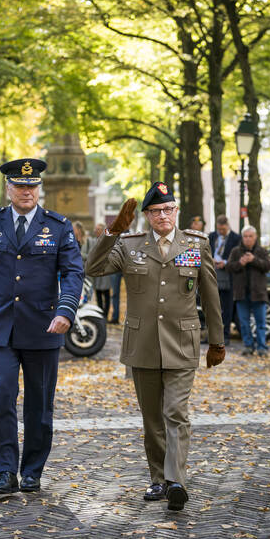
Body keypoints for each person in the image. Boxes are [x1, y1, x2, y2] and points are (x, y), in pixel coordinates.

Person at [85, 181, 225, 511]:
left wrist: (216, 341)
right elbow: (93, 268)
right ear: (147, 216)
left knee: (176, 412)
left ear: (176, 211)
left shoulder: (195, 243)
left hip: (182, 342)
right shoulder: (129, 245)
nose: (163, 215)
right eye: (156, 211)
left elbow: (211, 295)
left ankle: (176, 481)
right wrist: (111, 233)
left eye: (169, 209)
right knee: (153, 420)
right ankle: (158, 478)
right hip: (143, 344)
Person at [0, 158, 83, 495]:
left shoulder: (58, 226)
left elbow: (73, 273)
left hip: (44, 327)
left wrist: (66, 311)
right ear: (8, 189)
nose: (26, 191)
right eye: (19, 185)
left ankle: (32, 470)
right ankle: (4, 470)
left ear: (39, 189)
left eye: (31, 186)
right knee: (1, 396)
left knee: (39, 404)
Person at [226, 226, 270, 356]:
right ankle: (248, 346)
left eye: (250, 236)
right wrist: (240, 263)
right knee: (244, 323)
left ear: (255, 237)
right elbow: (229, 267)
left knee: (261, 323)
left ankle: (262, 347)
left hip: (258, 293)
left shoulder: (262, 251)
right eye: (245, 236)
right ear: (242, 237)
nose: (247, 239)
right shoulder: (236, 251)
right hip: (241, 293)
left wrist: (254, 260)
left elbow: (268, 266)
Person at [208, 215, 240, 344]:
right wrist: (211, 260)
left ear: (228, 226)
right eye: (219, 229)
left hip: (228, 275)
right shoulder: (211, 236)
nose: (220, 231)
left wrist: (225, 262)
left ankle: (225, 335)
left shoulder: (236, 238)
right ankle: (211, 335)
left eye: (223, 229)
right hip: (212, 273)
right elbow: (206, 251)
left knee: (226, 307)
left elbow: (238, 255)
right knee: (212, 306)